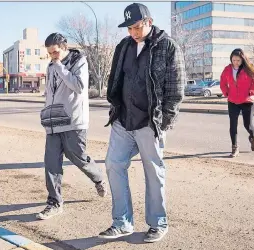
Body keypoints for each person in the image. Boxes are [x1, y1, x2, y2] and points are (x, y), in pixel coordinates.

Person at [98, 3, 185, 243]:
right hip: (123, 119)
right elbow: (116, 76)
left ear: (149, 21)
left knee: (153, 173)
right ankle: (122, 222)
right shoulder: (123, 46)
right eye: (129, 28)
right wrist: (114, 105)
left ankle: (158, 223)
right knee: (113, 164)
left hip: (150, 122)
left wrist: (165, 120)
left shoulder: (167, 46)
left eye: (136, 27)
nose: (133, 32)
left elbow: (176, 88)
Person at [37, 33, 107, 220]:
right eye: (50, 53)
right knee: (51, 163)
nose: (53, 56)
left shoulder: (78, 61)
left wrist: (59, 66)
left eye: (56, 52)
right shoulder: (51, 65)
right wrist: (45, 111)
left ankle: (98, 178)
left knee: (78, 158)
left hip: (74, 121)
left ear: (64, 47)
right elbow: (50, 92)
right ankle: (54, 202)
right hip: (53, 122)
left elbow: (78, 86)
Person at [220, 48, 254, 158]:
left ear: (242, 59)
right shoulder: (227, 69)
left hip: (247, 101)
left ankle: (253, 137)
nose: (236, 62)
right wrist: (226, 92)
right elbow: (222, 82)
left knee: (248, 125)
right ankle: (234, 148)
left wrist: (251, 91)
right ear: (231, 60)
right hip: (232, 101)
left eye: (238, 60)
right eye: (233, 60)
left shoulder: (249, 68)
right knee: (233, 125)